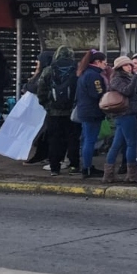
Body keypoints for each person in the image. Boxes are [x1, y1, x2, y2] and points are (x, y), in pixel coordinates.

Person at [38, 46, 82, 177]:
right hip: (72, 112)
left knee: (54, 140)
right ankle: (74, 165)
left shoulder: (48, 70)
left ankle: (54, 168)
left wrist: (46, 105)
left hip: (53, 112)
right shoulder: (77, 70)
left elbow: (41, 91)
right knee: (73, 139)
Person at [102, 56, 137, 183]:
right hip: (126, 114)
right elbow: (127, 91)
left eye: (130, 65)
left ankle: (109, 174)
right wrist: (136, 77)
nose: (129, 67)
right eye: (126, 65)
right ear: (120, 67)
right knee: (131, 144)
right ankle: (131, 174)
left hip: (125, 114)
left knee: (117, 144)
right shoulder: (118, 79)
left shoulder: (124, 78)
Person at [74, 50, 108, 178]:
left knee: (86, 140)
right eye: (104, 62)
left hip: (85, 111)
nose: (106, 64)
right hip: (92, 112)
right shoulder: (94, 75)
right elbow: (97, 93)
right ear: (97, 62)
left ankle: (86, 166)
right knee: (90, 140)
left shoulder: (84, 73)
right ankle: (87, 168)